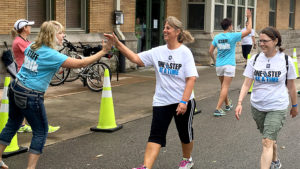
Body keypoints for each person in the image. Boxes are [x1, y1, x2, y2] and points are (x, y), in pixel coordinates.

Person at [0, 20, 112, 169]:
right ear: (51, 35)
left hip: (15, 88)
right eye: (60, 33)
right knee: (41, 131)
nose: (63, 35)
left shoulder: (32, 46)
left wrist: (54, 68)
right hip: (30, 95)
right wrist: (103, 51)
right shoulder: (51, 54)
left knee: (12, 124)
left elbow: (37, 65)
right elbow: (81, 64)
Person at [105, 16, 198, 169]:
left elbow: (191, 79)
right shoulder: (158, 51)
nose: (164, 30)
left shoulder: (185, 53)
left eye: (168, 28)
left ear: (177, 32)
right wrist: (118, 44)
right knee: (155, 135)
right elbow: (136, 59)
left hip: (183, 100)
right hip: (162, 101)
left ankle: (187, 159)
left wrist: (183, 101)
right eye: (164, 27)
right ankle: (146, 167)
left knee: (185, 134)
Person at [235, 27, 298, 169]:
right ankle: (275, 160)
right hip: (257, 106)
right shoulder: (255, 59)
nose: (261, 43)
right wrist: (239, 102)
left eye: (265, 41)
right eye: (260, 40)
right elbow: (246, 84)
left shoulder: (286, 61)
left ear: (275, 41)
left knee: (267, 142)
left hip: (277, 106)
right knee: (268, 138)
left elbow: (292, 87)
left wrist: (294, 106)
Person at [11, 19, 60, 133]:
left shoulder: (25, 41)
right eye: (29, 26)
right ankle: (41, 126)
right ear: (24, 28)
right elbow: (35, 54)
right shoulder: (20, 42)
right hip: (26, 74)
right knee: (32, 101)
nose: (31, 28)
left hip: (28, 72)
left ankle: (23, 125)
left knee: (23, 103)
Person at [209, 9, 252, 116]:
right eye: (232, 25)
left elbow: (210, 51)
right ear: (229, 26)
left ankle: (227, 104)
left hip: (219, 65)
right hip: (229, 65)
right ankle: (218, 108)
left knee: (223, 86)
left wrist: (214, 61)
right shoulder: (233, 36)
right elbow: (249, 30)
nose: (232, 26)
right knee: (225, 87)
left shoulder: (217, 37)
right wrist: (249, 17)